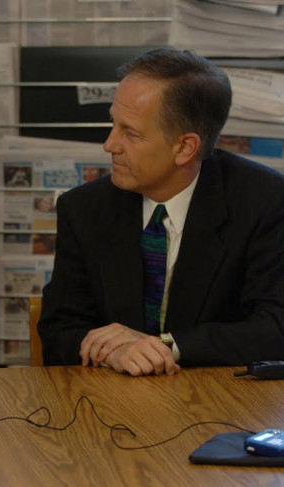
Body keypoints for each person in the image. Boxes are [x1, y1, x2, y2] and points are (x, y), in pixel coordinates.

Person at [38, 48, 284, 376]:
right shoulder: (84, 208)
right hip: (110, 399)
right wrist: (113, 351)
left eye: (131, 133)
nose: (110, 144)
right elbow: (58, 330)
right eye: (114, 124)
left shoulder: (265, 201)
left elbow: (274, 329)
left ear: (185, 147)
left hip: (219, 402)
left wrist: (164, 345)